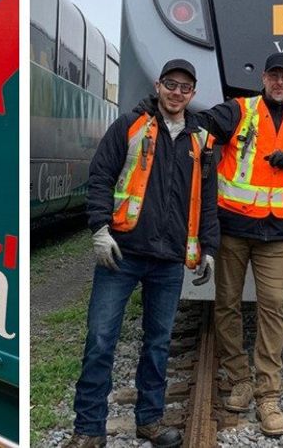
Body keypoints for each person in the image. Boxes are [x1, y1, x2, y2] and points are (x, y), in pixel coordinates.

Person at [67, 59, 219, 448]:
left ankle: (149, 421)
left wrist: (209, 247)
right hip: (123, 252)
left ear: (193, 93)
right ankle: (88, 429)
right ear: (158, 84)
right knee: (101, 339)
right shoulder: (130, 126)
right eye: (171, 84)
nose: (177, 92)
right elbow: (101, 174)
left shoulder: (201, 142)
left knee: (158, 343)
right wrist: (99, 228)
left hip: (168, 259)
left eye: (185, 88)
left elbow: (208, 200)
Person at [196, 52, 283, 437]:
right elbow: (202, 126)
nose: (279, 83)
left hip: (276, 232)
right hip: (234, 228)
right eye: (273, 76)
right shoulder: (239, 110)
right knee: (226, 304)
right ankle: (240, 378)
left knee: (273, 306)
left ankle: (267, 394)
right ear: (263, 77)